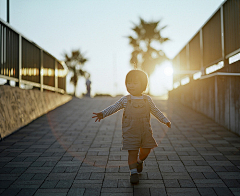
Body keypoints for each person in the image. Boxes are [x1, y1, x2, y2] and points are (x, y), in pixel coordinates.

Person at [92, 70, 171, 184]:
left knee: (146, 150)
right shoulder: (125, 99)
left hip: (145, 131)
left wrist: (165, 120)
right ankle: (133, 172)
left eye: (135, 83)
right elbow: (114, 107)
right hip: (130, 131)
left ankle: (139, 162)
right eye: (128, 83)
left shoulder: (147, 99)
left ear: (143, 85)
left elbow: (155, 111)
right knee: (132, 152)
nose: (131, 85)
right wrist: (103, 113)